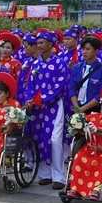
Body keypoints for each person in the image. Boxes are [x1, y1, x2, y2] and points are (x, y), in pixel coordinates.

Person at [32, 31, 69, 190]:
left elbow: (60, 86)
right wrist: (30, 99)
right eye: (38, 43)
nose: (39, 46)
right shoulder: (35, 64)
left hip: (55, 106)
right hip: (38, 107)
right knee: (40, 138)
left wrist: (45, 98)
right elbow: (30, 86)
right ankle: (45, 174)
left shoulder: (60, 63)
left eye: (42, 43)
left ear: (50, 45)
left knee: (55, 139)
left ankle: (59, 176)